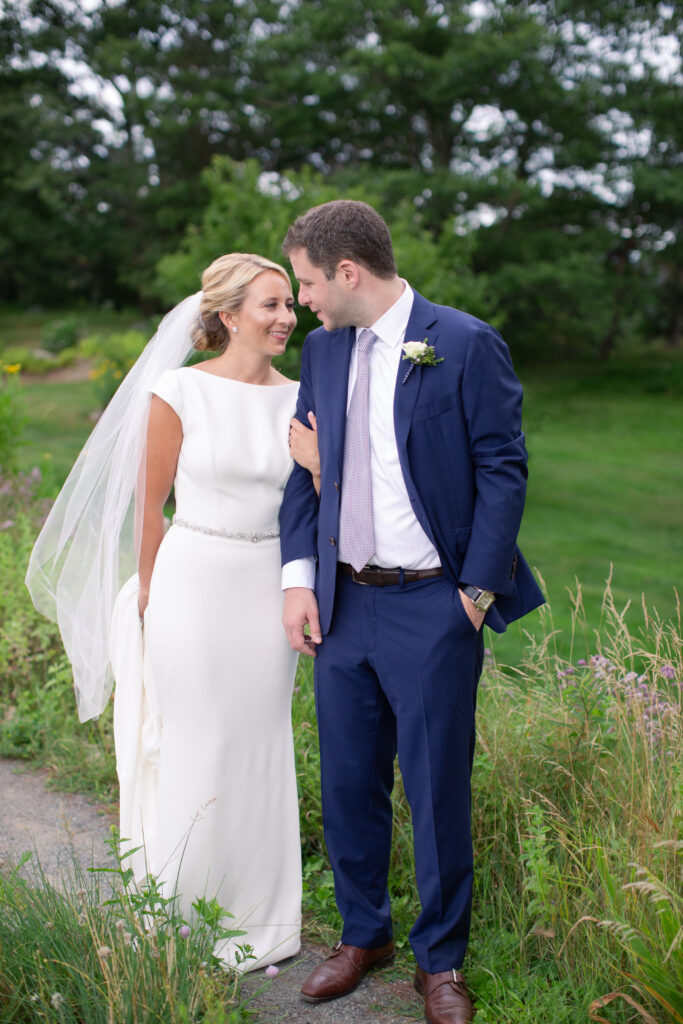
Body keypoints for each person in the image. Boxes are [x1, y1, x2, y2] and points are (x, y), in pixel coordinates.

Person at [279, 201, 545, 1023]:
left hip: (434, 603)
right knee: (349, 780)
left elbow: (503, 469)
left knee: (434, 789)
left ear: (349, 273)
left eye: (310, 283)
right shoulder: (323, 352)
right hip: (343, 602)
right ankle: (364, 936)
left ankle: (442, 961)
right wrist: (299, 577)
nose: (305, 303)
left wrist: (473, 593)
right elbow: (303, 469)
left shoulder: (462, 342)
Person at [26, 253, 319, 972]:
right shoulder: (177, 389)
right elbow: (149, 506)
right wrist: (150, 596)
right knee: (195, 740)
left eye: (289, 304)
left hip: (265, 588)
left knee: (257, 743)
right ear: (227, 316)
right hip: (191, 582)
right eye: (271, 305)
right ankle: (180, 915)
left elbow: (318, 502)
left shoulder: (301, 398)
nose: (287, 318)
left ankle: (262, 918)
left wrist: (318, 465)